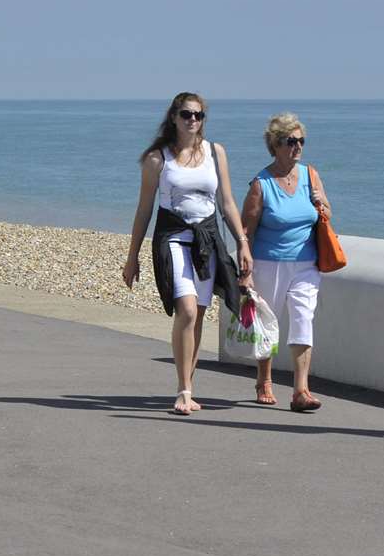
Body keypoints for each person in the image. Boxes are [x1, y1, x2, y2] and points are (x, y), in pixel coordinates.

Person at [122, 92, 252, 415]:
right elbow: (144, 210)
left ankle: (188, 387)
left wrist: (242, 242)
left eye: (198, 115)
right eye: (186, 114)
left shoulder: (215, 152)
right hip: (172, 238)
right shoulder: (158, 158)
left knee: (199, 317)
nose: (193, 120)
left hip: (207, 240)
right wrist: (132, 255)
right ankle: (183, 390)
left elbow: (226, 203)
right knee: (188, 310)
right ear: (174, 117)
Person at [240, 113, 330, 412]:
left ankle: (301, 390)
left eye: (301, 141)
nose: (298, 147)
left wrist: (322, 204)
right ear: (275, 145)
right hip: (268, 262)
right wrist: (246, 271)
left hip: (307, 263)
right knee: (269, 323)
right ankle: (264, 379)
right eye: (291, 142)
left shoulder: (311, 175)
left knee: (304, 318)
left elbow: (327, 212)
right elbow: (245, 232)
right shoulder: (260, 185)